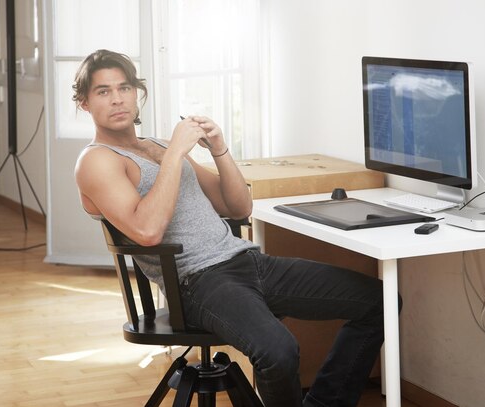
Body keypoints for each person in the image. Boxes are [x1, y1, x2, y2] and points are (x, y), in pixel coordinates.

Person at [74, 49, 397, 407]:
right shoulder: (96, 161)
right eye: (103, 91)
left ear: (137, 93)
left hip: (247, 262)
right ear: (85, 102)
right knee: (279, 350)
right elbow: (147, 231)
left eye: (124, 88)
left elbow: (238, 206)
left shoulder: (158, 146)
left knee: (378, 301)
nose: (117, 99)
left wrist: (219, 148)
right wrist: (176, 155)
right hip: (198, 282)